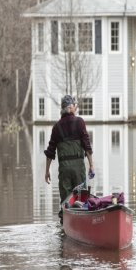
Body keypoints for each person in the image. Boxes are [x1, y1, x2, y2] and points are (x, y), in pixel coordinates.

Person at [44, 95, 94, 223]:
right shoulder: (80, 122)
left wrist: (47, 171)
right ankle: (83, 223)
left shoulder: (56, 127)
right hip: (78, 168)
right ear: (71, 107)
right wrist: (91, 165)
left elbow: (50, 152)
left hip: (64, 169)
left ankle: (66, 225)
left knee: (66, 201)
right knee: (81, 198)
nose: (76, 108)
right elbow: (87, 146)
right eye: (74, 106)